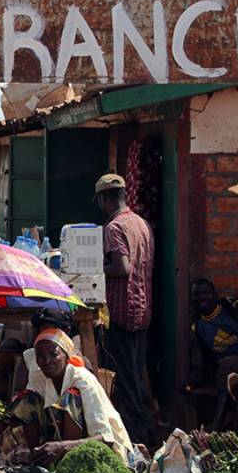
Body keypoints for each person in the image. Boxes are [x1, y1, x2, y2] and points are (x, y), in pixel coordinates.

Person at [6, 328, 134, 465]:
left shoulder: (83, 380)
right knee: (27, 399)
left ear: (67, 357)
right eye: (41, 356)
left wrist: (61, 447)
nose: (47, 361)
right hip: (56, 443)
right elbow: (28, 409)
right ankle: (38, 458)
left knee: (70, 398)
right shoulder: (38, 377)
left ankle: (69, 463)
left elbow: (106, 439)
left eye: (53, 354)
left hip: (96, 448)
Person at [95, 173, 155, 446]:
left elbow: (122, 267)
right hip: (142, 309)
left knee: (125, 380)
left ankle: (136, 437)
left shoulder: (115, 228)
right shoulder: (141, 224)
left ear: (104, 199)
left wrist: (95, 270)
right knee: (137, 374)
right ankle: (148, 431)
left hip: (122, 312)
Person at [188, 279, 238, 428]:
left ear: (214, 295)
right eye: (197, 294)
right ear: (192, 298)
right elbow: (198, 364)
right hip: (233, 375)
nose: (201, 297)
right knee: (237, 385)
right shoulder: (198, 327)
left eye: (206, 293)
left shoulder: (234, 308)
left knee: (226, 367)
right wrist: (190, 383)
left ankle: (217, 426)